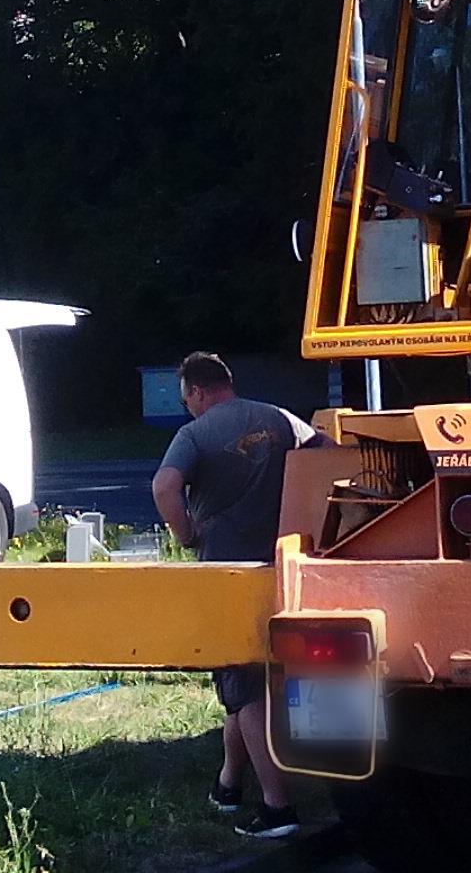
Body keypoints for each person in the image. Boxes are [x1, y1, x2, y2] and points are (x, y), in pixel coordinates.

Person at [151, 352, 327, 841]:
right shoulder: (281, 419)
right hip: (288, 566)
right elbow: (329, 454)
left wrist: (186, 533)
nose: (187, 406)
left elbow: (165, 486)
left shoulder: (194, 435)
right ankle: (228, 785)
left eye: (186, 398)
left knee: (244, 688)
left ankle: (277, 808)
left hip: (228, 575)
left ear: (198, 391)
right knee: (257, 684)